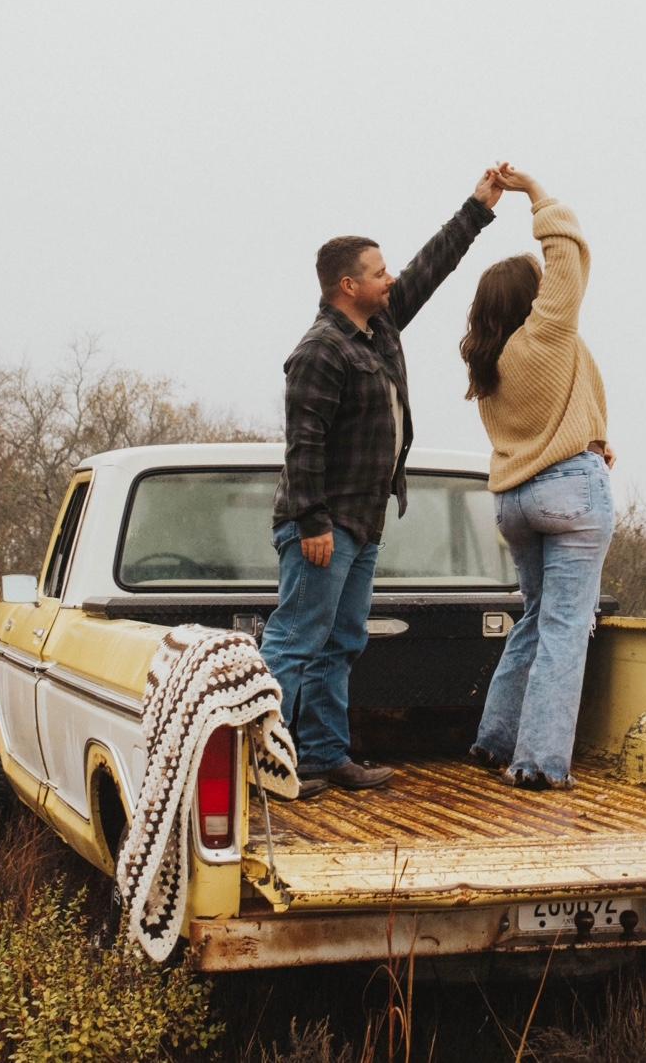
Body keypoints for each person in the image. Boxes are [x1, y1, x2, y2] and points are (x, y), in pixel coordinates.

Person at [264, 172, 503, 796]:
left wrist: (476, 209)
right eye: (378, 272)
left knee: (340, 642)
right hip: (324, 524)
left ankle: (323, 757)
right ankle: (255, 765)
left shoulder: (379, 330)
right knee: (294, 642)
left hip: (361, 522)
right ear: (349, 286)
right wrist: (312, 522)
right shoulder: (321, 350)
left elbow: (429, 269)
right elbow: (303, 443)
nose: (390, 278)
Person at [460, 167, 615, 789]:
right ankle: (539, 764)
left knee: (534, 619)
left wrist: (593, 434)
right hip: (569, 492)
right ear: (534, 299)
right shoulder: (544, 336)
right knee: (564, 629)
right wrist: (537, 194)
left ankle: (495, 740)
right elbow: (567, 257)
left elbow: (552, 413)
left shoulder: (488, 361)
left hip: (515, 501)